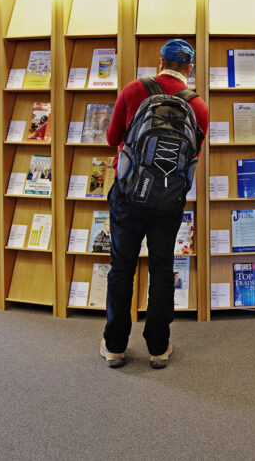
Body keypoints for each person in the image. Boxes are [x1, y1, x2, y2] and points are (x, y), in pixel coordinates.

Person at [100, 39, 208, 369]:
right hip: (168, 200)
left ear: (159, 60)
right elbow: (194, 154)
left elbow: (112, 138)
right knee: (162, 270)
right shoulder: (198, 106)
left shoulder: (134, 90)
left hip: (129, 195)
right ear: (189, 68)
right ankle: (158, 348)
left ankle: (115, 346)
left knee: (121, 268)